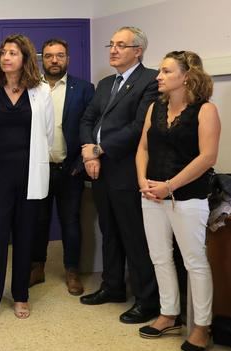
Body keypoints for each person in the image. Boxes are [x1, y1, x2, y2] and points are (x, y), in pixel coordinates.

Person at [136, 51, 220, 351]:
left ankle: (201, 326)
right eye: (160, 71)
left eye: (166, 71)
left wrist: (169, 186)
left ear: (186, 76)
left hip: (187, 197)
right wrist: (142, 180)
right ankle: (168, 314)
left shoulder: (205, 110)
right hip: (151, 194)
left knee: (194, 262)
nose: (158, 76)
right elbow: (143, 147)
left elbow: (207, 157)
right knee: (159, 257)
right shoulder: (154, 107)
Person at [0, 34, 54, 325]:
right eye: (3, 52)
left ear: (25, 58)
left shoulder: (41, 91)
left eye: (13, 53)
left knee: (24, 236)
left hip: (30, 174)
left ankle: (20, 294)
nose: (6, 57)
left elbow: (48, 133)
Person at [79, 26, 160, 324]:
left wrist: (99, 150)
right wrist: (89, 151)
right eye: (111, 44)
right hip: (99, 169)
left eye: (121, 45)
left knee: (134, 235)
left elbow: (139, 127)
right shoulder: (104, 84)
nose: (113, 50)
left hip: (127, 170)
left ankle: (146, 299)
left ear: (137, 50)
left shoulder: (150, 80)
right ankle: (112, 287)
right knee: (110, 232)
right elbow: (88, 118)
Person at [31, 38, 95, 295]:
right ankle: (37, 267)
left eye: (59, 55)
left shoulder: (84, 89)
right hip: (39, 169)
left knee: (70, 221)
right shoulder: (31, 88)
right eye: (49, 56)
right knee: (38, 221)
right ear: (41, 59)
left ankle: (72, 270)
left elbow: (91, 126)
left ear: (68, 59)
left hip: (70, 169)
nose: (54, 60)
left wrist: (81, 162)